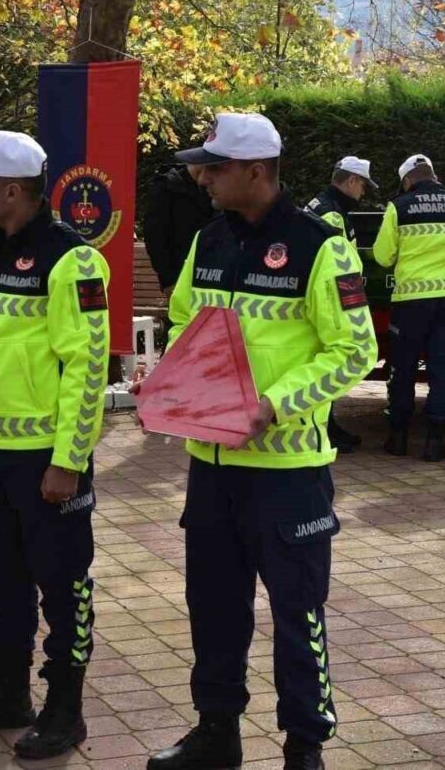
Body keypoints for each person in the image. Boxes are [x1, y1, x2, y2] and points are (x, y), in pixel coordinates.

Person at [141, 114, 378, 770]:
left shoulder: (320, 245)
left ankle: (305, 745)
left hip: (288, 470)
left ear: (255, 172)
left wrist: (274, 404)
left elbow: (355, 349)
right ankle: (216, 732)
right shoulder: (208, 239)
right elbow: (185, 323)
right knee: (214, 607)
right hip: (211, 465)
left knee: (297, 612)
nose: (204, 178)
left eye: (215, 168)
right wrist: (168, 382)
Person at [0, 130, 110, 760]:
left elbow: (88, 368)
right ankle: (8, 692)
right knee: (1, 583)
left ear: (13, 191)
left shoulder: (72, 261)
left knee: (64, 589)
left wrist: (69, 460)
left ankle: (66, 709)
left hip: (45, 461)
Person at [374, 154, 445, 462]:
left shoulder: (399, 207)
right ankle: (436, 441)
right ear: (433, 175)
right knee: (441, 368)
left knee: (403, 367)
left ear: (407, 180)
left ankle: (398, 437)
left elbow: (383, 256)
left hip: (410, 301)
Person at [305, 156, 378, 453]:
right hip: (330, 298)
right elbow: (337, 264)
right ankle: (326, 428)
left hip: (319, 294)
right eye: (363, 185)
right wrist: (352, 301)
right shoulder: (333, 215)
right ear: (351, 180)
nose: (363, 192)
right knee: (333, 359)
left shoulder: (320, 204)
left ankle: (329, 425)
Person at [143, 162, 214, 295]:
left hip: (211, 275)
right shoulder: (166, 187)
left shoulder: (211, 188)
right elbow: (155, 237)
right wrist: (168, 280)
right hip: (178, 276)